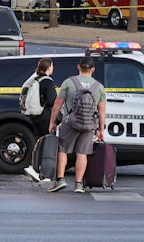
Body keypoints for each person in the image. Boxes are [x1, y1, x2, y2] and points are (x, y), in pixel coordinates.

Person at [47, 55, 107, 193]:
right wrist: (101, 129)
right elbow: (102, 111)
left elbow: (57, 104)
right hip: (88, 124)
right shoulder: (99, 87)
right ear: (93, 69)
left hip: (69, 122)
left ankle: (60, 180)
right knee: (82, 153)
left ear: (78, 67)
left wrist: (52, 122)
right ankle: (79, 184)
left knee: (63, 150)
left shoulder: (69, 82)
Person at [22, 57, 57, 182]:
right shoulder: (47, 81)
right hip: (45, 116)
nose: (53, 68)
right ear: (48, 67)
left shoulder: (34, 79)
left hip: (34, 116)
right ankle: (44, 172)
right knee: (47, 145)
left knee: (38, 143)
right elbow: (52, 100)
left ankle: (35, 168)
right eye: (52, 66)